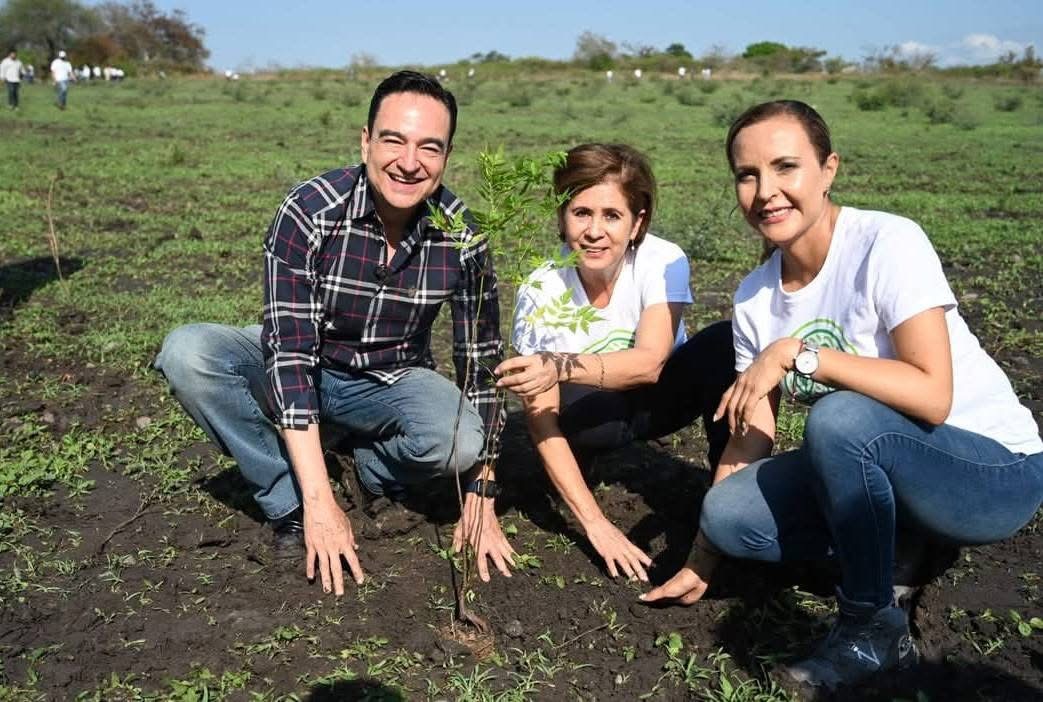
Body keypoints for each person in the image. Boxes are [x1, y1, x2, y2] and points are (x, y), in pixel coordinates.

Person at [641, 100, 1043, 690]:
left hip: (992, 475)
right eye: (747, 175)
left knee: (842, 418)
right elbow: (750, 437)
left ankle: (872, 629)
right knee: (730, 515)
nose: (765, 191)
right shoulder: (756, 296)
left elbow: (932, 396)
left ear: (828, 169)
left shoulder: (887, 242)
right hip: (890, 461)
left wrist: (800, 354)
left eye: (785, 167)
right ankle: (898, 547)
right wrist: (703, 551)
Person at [154, 71, 516, 596]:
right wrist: (321, 505)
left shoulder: (462, 236)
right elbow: (290, 355)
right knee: (190, 353)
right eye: (393, 139)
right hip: (307, 361)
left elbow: (480, 364)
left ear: (447, 156)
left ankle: (367, 470)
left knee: (458, 439)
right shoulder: (309, 211)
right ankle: (291, 502)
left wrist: (481, 493)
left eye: (429, 148)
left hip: (390, 379)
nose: (409, 162)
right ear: (365, 140)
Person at [495, 143, 734, 583]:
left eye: (612, 215)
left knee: (724, 343)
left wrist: (558, 364)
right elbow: (540, 420)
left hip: (659, 398)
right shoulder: (539, 289)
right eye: (580, 212)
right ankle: (575, 473)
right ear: (561, 214)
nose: (594, 231)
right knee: (565, 409)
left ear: (637, 221)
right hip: (593, 415)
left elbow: (650, 363)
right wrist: (595, 524)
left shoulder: (662, 259)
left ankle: (729, 500)